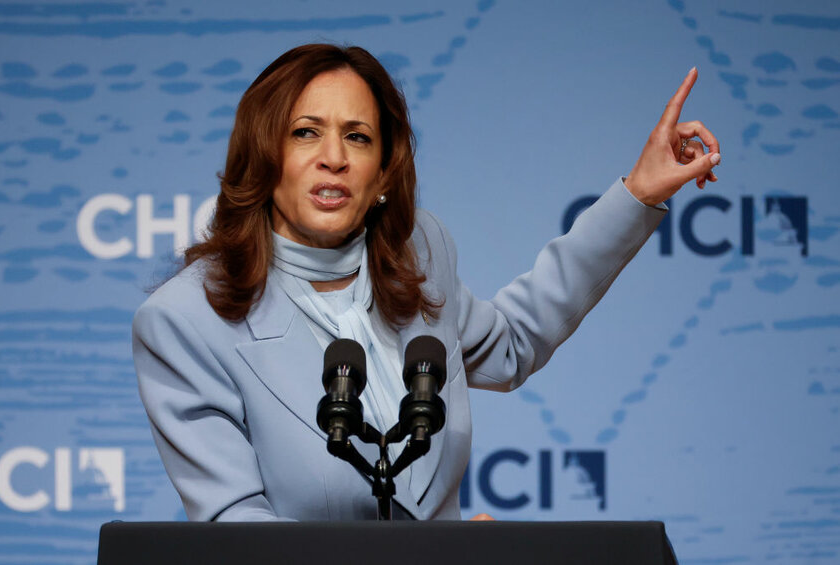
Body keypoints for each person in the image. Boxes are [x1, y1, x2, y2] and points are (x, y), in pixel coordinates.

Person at [132, 44, 720, 522]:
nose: (333, 157)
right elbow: (237, 538)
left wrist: (639, 193)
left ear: (383, 171)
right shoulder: (185, 321)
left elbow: (511, 344)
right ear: (263, 156)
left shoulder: (417, 254)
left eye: (358, 136)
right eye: (305, 132)